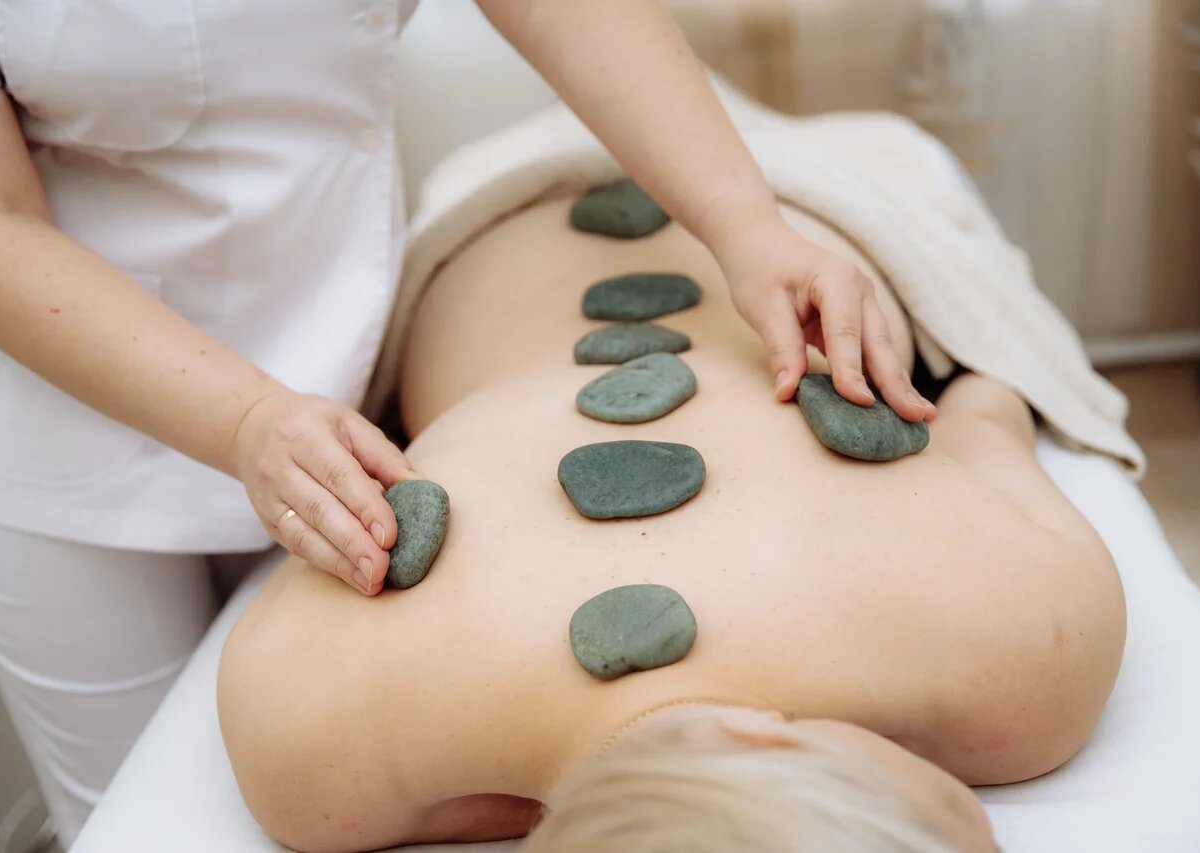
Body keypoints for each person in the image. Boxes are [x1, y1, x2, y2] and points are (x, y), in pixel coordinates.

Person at [0, 2, 939, 843]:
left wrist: (746, 225)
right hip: (68, 422)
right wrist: (246, 419)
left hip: (350, 371)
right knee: (147, 823)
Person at [216, 195, 1126, 852]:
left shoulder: (1032, 647)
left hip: (777, 195)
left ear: (764, 735)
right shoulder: (312, 752)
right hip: (496, 231)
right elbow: (994, 408)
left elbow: (986, 409)